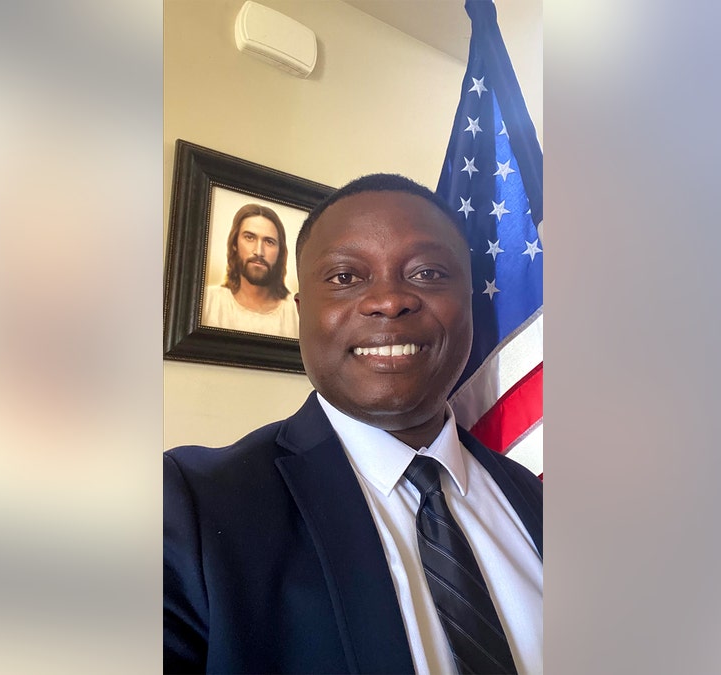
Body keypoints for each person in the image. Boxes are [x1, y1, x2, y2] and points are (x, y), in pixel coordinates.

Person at [164, 174, 543, 674]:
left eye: (427, 273)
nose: (389, 301)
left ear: (470, 303)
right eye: (345, 277)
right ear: (303, 313)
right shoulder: (189, 506)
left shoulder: (535, 497)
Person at [201, 203, 299, 338]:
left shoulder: (297, 313)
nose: (259, 252)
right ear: (234, 244)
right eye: (249, 237)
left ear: (280, 252)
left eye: (269, 242)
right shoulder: (207, 302)